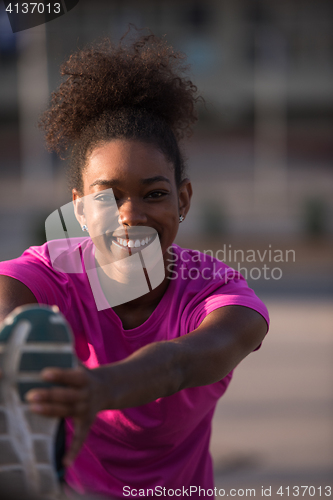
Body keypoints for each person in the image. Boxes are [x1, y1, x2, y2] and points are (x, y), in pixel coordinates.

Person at [0, 32, 269, 499]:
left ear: (183, 199)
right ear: (80, 209)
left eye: (155, 193)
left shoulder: (215, 293)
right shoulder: (50, 274)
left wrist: (97, 389)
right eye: (108, 197)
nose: (131, 215)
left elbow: (181, 363)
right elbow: (9, 312)